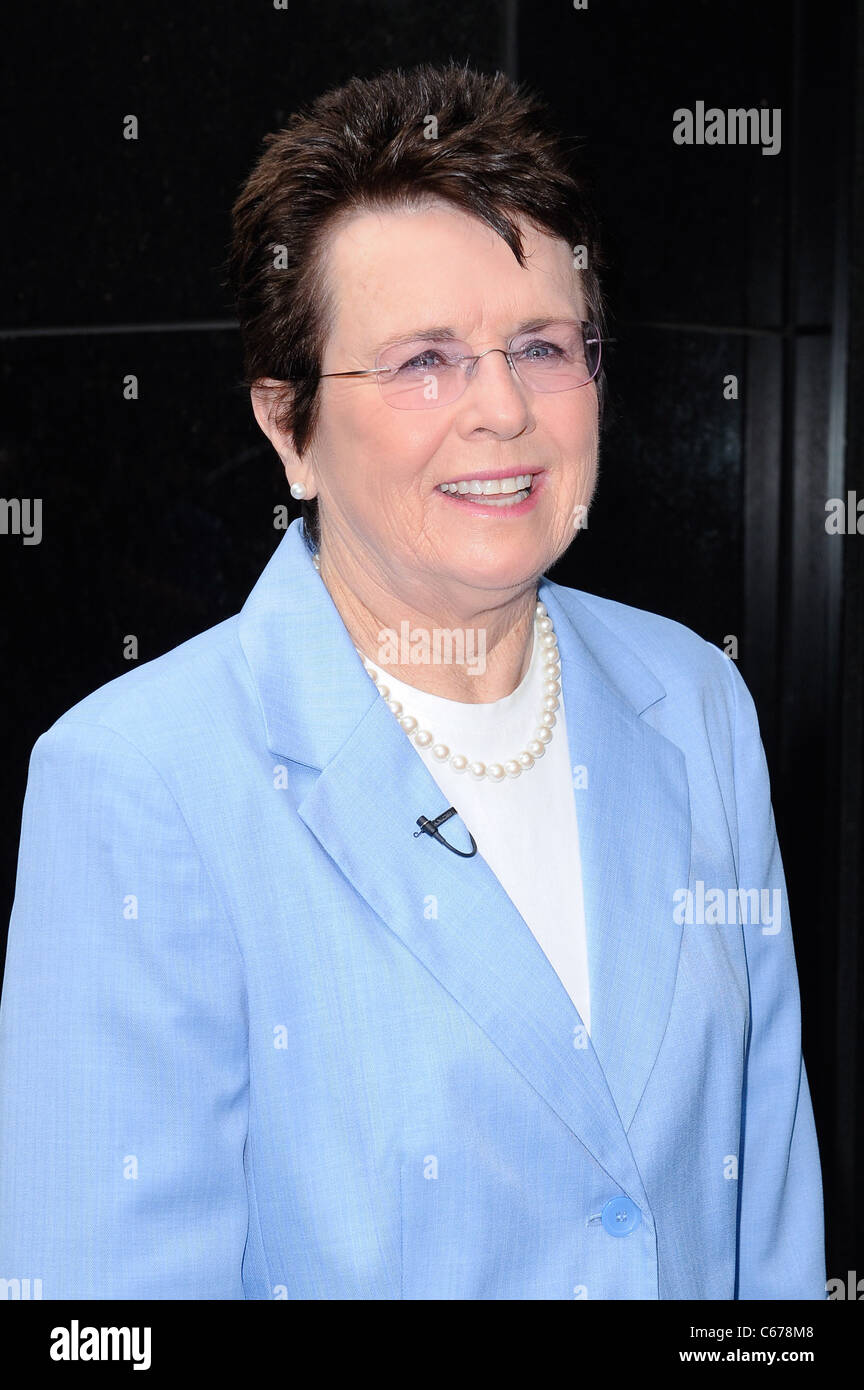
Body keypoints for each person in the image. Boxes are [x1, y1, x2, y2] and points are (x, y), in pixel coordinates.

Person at [0, 60, 825, 1299]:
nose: (501, 409)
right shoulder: (136, 782)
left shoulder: (695, 700)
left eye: (542, 345)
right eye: (424, 360)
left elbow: (766, 1214)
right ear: (288, 425)